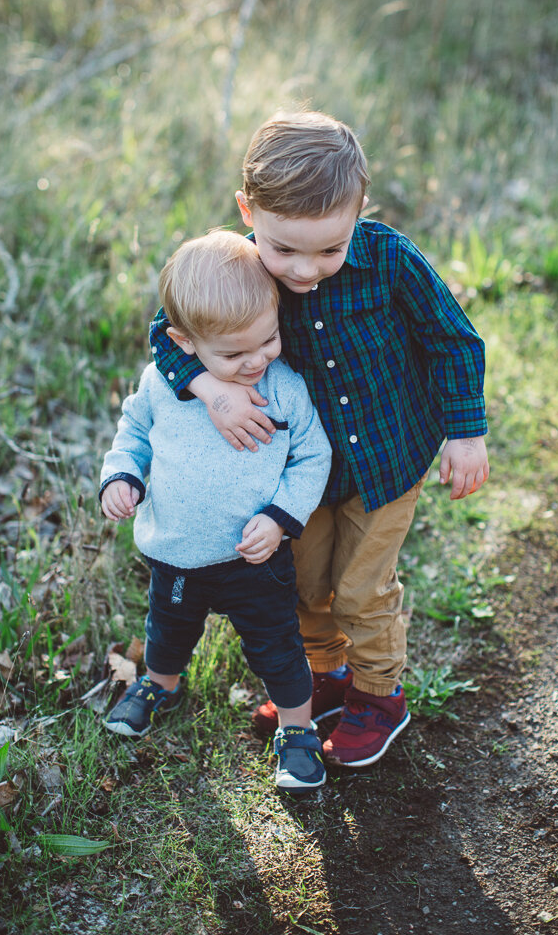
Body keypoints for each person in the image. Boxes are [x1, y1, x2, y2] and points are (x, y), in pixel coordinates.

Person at [149, 111, 490, 769]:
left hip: (386, 462)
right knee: (303, 586)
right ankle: (326, 674)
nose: (306, 270)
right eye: (285, 251)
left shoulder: (388, 259)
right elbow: (170, 332)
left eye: (330, 250)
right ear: (248, 211)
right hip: (302, 473)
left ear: (359, 211)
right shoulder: (236, 270)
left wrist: (466, 431)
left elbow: (454, 338)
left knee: (362, 590)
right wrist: (210, 389)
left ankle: (379, 695)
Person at [99, 230, 332, 795]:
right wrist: (122, 475)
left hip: (255, 557)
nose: (257, 361)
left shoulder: (286, 388)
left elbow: (312, 455)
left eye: (269, 340)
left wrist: (279, 517)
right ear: (184, 343)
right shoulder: (162, 384)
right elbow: (133, 431)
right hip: (178, 548)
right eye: (233, 354)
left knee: (276, 644)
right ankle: (161, 683)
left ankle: (297, 729)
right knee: (168, 630)